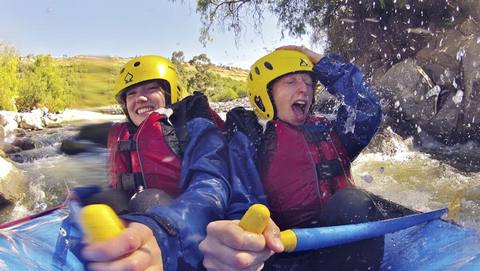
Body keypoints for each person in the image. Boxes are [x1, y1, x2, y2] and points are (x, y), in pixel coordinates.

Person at [56, 55, 250, 271]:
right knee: (102, 200)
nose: (139, 98)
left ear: (170, 93)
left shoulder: (193, 126)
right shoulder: (123, 134)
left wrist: (164, 232)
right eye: (132, 93)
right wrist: (84, 196)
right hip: (144, 218)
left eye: (150, 89)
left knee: (148, 200)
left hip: (188, 228)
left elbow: (212, 186)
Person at [199, 45, 384, 270]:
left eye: (308, 83)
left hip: (341, 243)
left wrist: (321, 62)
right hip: (286, 254)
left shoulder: (331, 132)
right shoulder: (253, 141)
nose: (304, 89)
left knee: (353, 203)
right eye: (291, 82)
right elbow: (240, 199)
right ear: (266, 95)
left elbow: (367, 108)